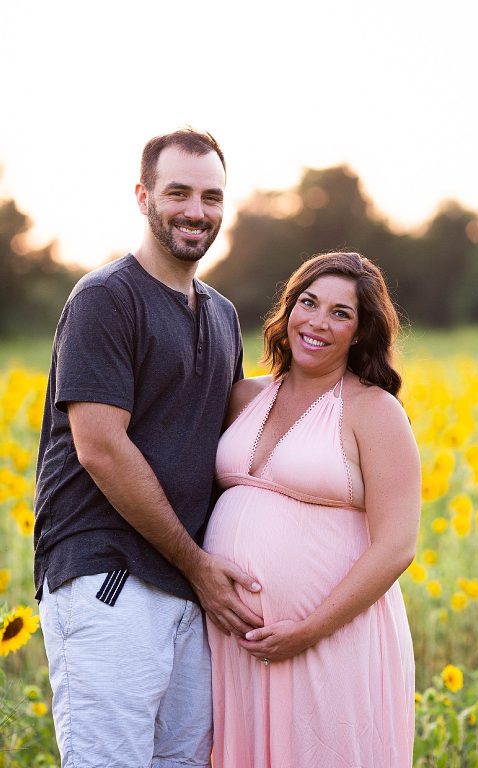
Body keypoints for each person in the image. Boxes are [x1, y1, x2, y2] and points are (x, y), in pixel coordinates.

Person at [33, 129, 263, 767]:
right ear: (143, 197)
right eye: (178, 193)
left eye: (212, 196)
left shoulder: (220, 314)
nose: (197, 210)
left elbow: (232, 429)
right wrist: (197, 563)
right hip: (109, 575)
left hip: (187, 590)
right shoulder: (107, 299)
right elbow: (100, 448)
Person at [203, 251, 419, 767]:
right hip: (236, 643)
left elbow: (396, 547)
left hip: (329, 642)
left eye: (341, 313)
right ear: (289, 308)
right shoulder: (243, 397)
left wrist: (307, 630)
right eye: (309, 302)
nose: (318, 322)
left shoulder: (374, 410)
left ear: (362, 331)